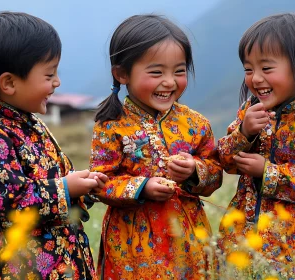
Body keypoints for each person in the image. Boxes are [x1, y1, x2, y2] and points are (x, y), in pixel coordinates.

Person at [0, 11, 107, 279]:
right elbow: (4, 202)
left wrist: (81, 186)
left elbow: (49, 181)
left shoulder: (30, 123)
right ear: (9, 83)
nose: (57, 82)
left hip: (59, 260)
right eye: (49, 74)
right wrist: (65, 188)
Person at [89, 14, 223, 279]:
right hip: (132, 244)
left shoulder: (196, 123)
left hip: (189, 237)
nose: (170, 82)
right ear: (122, 74)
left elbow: (216, 173)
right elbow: (100, 182)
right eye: (156, 72)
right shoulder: (111, 125)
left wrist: (194, 171)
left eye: (179, 71)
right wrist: (142, 187)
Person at [217, 13, 295, 278]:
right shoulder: (249, 114)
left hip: (292, 251)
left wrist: (268, 172)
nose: (255, 78)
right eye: (248, 69)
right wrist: (244, 132)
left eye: (266, 68)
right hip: (240, 240)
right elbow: (225, 161)